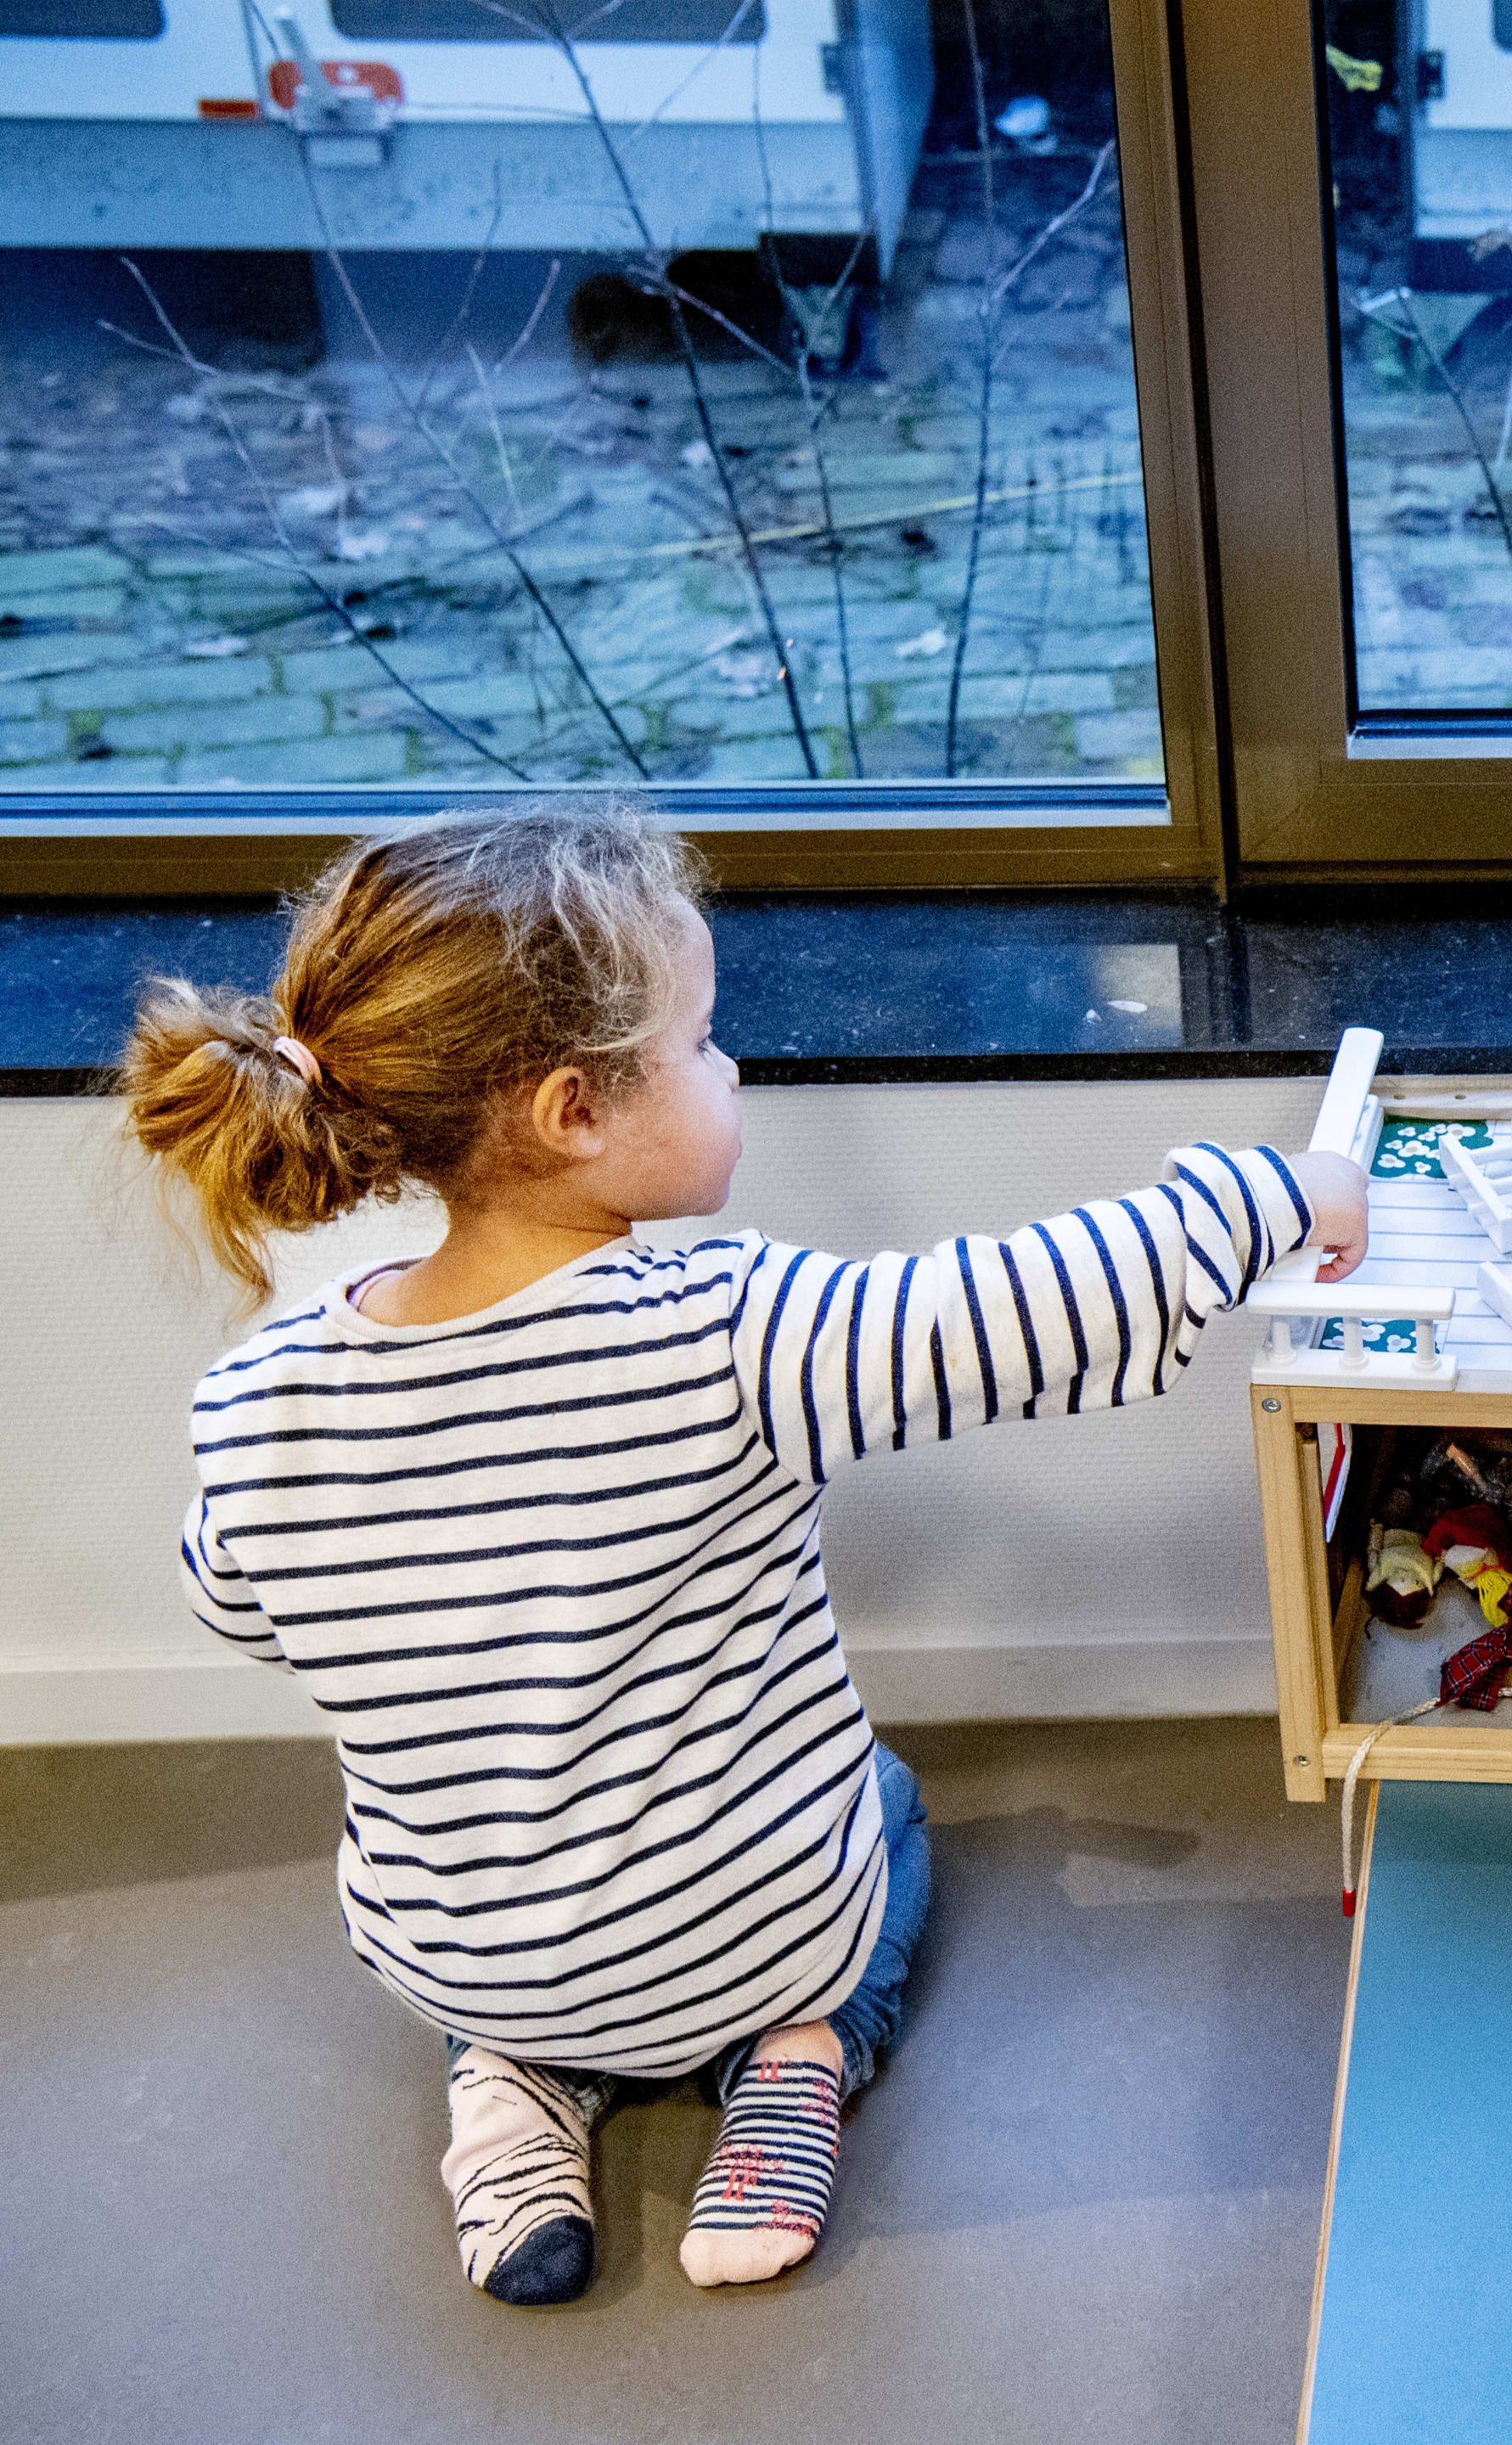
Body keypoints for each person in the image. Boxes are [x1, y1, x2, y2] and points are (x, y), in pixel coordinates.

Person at [119, 801, 1367, 2307]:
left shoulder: (259, 1396)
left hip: (464, 1956)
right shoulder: (726, 1334)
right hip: (741, 1939)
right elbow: (1026, 1305)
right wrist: (1277, 1198)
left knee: (491, 1930)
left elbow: (236, 1604)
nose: (733, 1067)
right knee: (887, 1808)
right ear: (573, 1112)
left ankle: (512, 2096)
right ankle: (798, 2059)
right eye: (703, 1043)